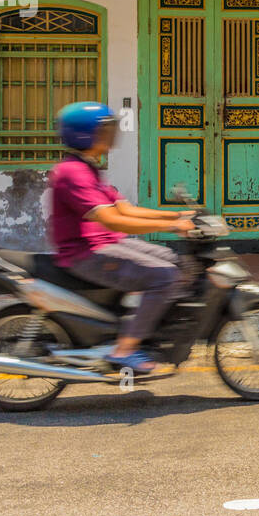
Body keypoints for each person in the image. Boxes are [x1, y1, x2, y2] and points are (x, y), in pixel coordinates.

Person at [48, 101, 195, 374]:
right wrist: (172, 228)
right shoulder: (72, 173)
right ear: (85, 134)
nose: (111, 136)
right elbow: (112, 220)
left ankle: (145, 327)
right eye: (104, 131)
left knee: (174, 261)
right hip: (87, 253)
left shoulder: (89, 168)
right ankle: (124, 350)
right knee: (163, 276)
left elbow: (126, 209)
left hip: (107, 243)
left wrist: (175, 216)